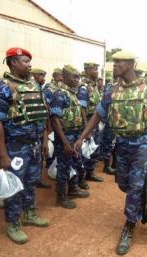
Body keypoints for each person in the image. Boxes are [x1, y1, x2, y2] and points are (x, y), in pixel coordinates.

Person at [73, 50, 147, 255]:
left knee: (135, 186)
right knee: (123, 183)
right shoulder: (110, 91)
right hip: (121, 144)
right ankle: (137, 202)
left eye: (118, 63)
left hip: (142, 144)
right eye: (113, 63)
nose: (113, 66)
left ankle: (129, 225)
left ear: (131, 64)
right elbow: (98, 115)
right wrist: (82, 137)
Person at [0, 47, 50, 244]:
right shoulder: (2, 87)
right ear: (13, 62)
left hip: (33, 144)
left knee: (31, 181)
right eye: (25, 61)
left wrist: (43, 141)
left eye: (29, 61)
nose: (29, 65)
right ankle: (13, 222)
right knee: (14, 186)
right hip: (15, 147)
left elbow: (40, 116)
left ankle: (29, 213)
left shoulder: (34, 85)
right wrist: (3, 153)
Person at [49, 65, 89, 208]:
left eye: (78, 77)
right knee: (64, 167)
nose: (77, 80)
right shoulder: (60, 94)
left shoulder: (72, 93)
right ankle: (61, 197)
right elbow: (54, 119)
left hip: (75, 136)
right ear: (65, 78)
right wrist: (65, 142)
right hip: (65, 137)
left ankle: (72, 189)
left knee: (75, 163)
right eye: (74, 77)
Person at [79, 62, 104, 183]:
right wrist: (86, 128)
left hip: (95, 121)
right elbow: (82, 108)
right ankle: (81, 177)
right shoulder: (84, 86)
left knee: (94, 148)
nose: (97, 72)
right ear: (88, 70)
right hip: (88, 121)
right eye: (95, 69)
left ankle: (90, 172)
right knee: (85, 150)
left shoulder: (93, 86)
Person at [31, 68, 52, 189]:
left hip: (40, 130)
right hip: (28, 133)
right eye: (41, 76)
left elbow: (44, 113)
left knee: (39, 158)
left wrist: (46, 134)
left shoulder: (41, 91)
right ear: (33, 75)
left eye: (44, 76)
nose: (43, 79)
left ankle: (37, 179)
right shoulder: (30, 90)